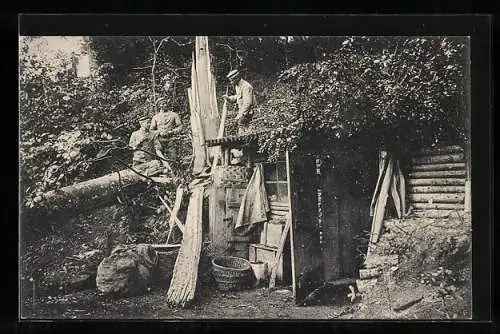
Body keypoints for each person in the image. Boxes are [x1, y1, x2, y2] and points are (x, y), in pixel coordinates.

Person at [223, 69, 257, 135]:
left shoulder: (246, 86)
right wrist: (229, 98)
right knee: (239, 127)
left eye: (232, 80)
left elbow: (248, 103)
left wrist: (240, 114)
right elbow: (239, 97)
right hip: (244, 113)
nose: (231, 82)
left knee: (242, 127)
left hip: (249, 113)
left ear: (237, 78)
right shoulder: (238, 86)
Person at [150, 99, 183, 163]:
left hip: (171, 140)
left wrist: (173, 131)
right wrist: (159, 132)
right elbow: (151, 130)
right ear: (159, 106)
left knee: (173, 158)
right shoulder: (155, 117)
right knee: (160, 159)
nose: (164, 105)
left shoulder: (174, 115)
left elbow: (180, 126)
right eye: (162, 104)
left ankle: (173, 171)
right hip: (159, 141)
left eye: (165, 103)